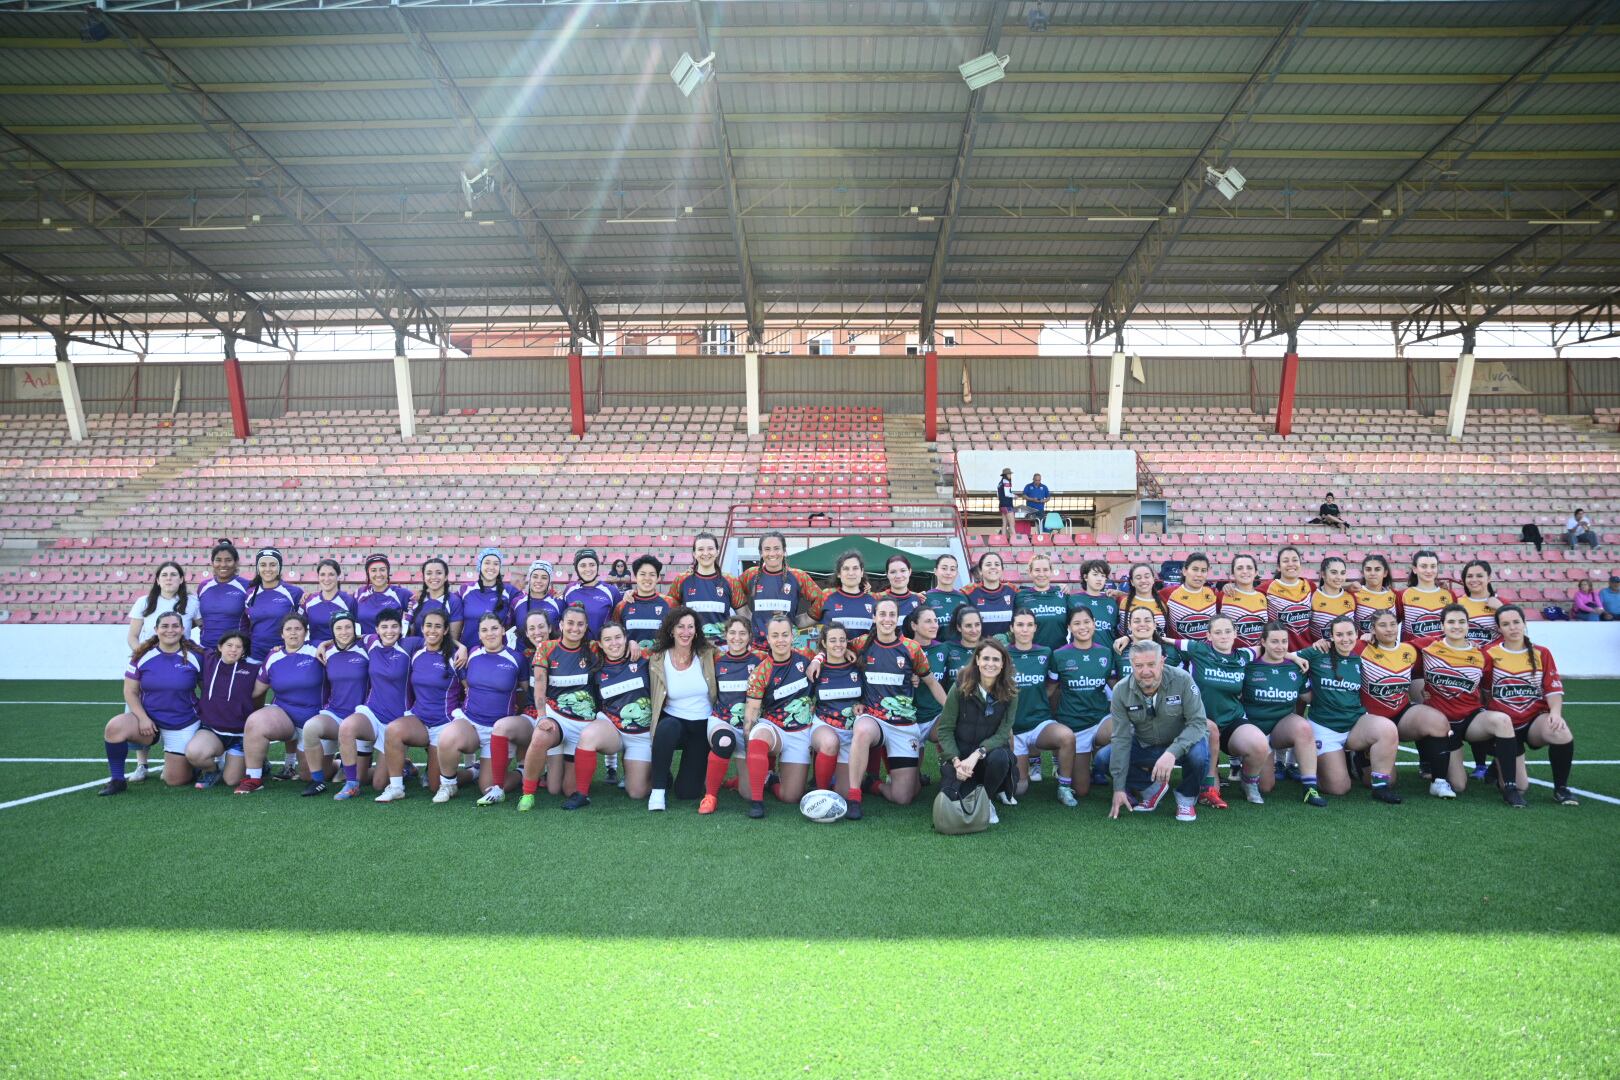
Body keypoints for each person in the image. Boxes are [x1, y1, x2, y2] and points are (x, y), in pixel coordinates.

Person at [1412, 604, 1525, 807]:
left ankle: (1510, 787)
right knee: (1459, 785)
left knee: (1502, 721)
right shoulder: (1426, 647)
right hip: (1443, 724)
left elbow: (1488, 690)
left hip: (1471, 718)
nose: (1457, 626)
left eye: (1462, 622)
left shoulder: (1482, 654)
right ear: (1442, 625)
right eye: (1451, 622)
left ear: (1468, 625)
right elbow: (1398, 658)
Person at [843, 599, 945, 815]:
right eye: (882, 614)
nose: (887, 619)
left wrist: (952, 711)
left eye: (891, 615)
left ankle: (874, 784)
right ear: (874, 617)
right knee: (861, 730)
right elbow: (833, 645)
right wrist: (820, 658)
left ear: (897, 618)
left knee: (904, 797)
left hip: (903, 725)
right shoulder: (862, 643)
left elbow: (932, 683)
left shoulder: (911, 648)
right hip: (874, 719)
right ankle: (854, 797)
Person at [1105, 640, 1211, 823]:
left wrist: (1172, 752)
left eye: (1151, 664)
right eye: (1139, 665)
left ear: (1162, 661)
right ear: (1131, 665)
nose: (1145, 671)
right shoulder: (1121, 690)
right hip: (1146, 745)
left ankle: (1186, 797)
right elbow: (1121, 739)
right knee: (1103, 758)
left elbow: (1198, 723)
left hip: (1181, 744)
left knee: (1200, 755)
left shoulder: (1183, 679)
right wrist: (1118, 789)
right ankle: (1152, 789)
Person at [1298, 617, 1402, 803]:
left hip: (1356, 722)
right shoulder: (1318, 652)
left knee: (1387, 731)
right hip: (1326, 726)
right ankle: (1315, 765)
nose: (1345, 639)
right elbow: (1286, 658)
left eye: (1349, 634)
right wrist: (1303, 688)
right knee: (1338, 788)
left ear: (1357, 635)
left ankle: (1379, 787)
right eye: (1339, 635)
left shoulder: (1361, 654)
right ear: (1331, 636)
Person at [1355, 608, 1455, 799]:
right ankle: (1358, 756)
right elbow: (1333, 647)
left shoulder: (1409, 650)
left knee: (1436, 721)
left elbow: (1444, 638)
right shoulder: (1361, 648)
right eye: (1382, 625)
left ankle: (1439, 781)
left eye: (1393, 624)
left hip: (1400, 713)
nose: (1389, 629)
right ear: (1372, 629)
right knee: (1385, 781)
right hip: (1371, 720)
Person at [99, 611, 203, 795]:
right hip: (149, 721)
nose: (170, 630)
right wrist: (143, 718)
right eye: (164, 626)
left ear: (183, 629)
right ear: (156, 630)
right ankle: (117, 780)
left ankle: (190, 765)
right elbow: (130, 691)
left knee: (175, 780)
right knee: (114, 727)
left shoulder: (197, 656)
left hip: (182, 722)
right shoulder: (141, 655)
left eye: (175, 626)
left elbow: (207, 691)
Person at [432, 613, 528, 805]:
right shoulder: (472, 653)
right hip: (471, 722)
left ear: (502, 630)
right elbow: (466, 683)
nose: (490, 633)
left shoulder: (516, 658)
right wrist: (462, 646)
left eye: (494, 628)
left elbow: (525, 692)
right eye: (484, 630)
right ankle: (449, 784)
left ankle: (522, 772)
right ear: (479, 634)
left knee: (488, 788)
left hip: (499, 730)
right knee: (447, 737)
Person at [1486, 605, 1577, 805]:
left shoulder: (1542, 653)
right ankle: (1500, 759)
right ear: (1499, 629)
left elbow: (1553, 689)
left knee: (1561, 732)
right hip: (1505, 726)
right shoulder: (1489, 654)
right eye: (1506, 624)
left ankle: (1561, 788)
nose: (1513, 628)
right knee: (1520, 787)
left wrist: (1555, 713)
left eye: (1516, 622)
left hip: (1534, 720)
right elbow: (1482, 691)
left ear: (1525, 623)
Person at [374, 610, 465, 803]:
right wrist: (325, 643)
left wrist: (461, 646)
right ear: (422, 628)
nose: (432, 630)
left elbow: (470, 690)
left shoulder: (456, 656)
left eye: (438, 626)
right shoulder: (415, 652)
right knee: (393, 730)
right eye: (428, 625)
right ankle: (397, 787)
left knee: (434, 786)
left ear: (446, 630)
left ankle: (469, 774)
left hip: (444, 724)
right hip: (419, 720)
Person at [1174, 614, 1266, 806]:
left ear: (1235, 633)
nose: (1223, 636)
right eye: (1217, 632)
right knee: (1212, 790)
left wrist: (1291, 655)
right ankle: (1209, 776)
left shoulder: (1243, 656)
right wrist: (1129, 637)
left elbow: (1270, 647)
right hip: (1201, 722)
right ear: (1208, 635)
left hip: (1232, 720)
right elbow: (1163, 641)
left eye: (1227, 631)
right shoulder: (1197, 649)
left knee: (1259, 744)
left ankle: (1248, 783)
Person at [561, 622, 654, 809]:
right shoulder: (596, 668)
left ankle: (654, 772)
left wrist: (635, 643)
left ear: (626, 639)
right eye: (608, 639)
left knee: (637, 793)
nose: (614, 643)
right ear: (600, 644)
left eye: (618, 637)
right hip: (613, 729)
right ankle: (582, 794)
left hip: (641, 736)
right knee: (589, 735)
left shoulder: (644, 658)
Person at [1230, 623, 1322, 807]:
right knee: (1266, 787)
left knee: (1303, 727)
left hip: (1281, 728)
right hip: (1255, 731)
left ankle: (1310, 787)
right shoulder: (1248, 665)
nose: (1280, 646)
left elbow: (1307, 696)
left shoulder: (1295, 667)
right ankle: (1245, 768)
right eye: (1274, 641)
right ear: (1263, 642)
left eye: (1284, 641)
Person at [233, 612, 325, 795]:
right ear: (281, 634)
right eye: (288, 629)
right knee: (255, 722)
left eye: (298, 629)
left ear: (305, 632)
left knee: (309, 776)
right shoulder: (273, 656)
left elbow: (344, 641)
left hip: (314, 721)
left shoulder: (317, 650)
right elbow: (258, 690)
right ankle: (253, 778)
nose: (293, 633)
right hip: (283, 716)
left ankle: (336, 763)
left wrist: (326, 644)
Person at [124, 560, 198, 782]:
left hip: (178, 661)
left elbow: (201, 626)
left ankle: (178, 758)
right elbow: (132, 635)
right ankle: (141, 764)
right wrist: (146, 656)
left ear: (181, 579)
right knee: (137, 713)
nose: (169, 578)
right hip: (148, 663)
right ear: (157, 580)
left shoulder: (191, 603)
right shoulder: (144, 602)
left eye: (174, 575)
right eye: (164, 575)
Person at [517, 605, 597, 807]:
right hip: (557, 718)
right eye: (570, 623)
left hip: (584, 725)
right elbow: (540, 686)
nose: (575, 628)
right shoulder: (547, 648)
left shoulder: (594, 648)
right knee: (540, 737)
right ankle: (528, 794)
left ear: (586, 626)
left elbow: (619, 645)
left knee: (568, 790)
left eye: (580, 624)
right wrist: (542, 717)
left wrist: (631, 643)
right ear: (561, 625)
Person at [741, 612, 818, 818]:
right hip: (773, 727)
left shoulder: (807, 656)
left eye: (785, 635)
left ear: (793, 635)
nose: (780, 640)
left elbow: (831, 650)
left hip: (800, 732)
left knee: (791, 796)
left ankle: (771, 780)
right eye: (775, 636)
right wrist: (750, 743)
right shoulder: (761, 670)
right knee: (758, 737)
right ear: (767, 639)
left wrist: (819, 659)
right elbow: (751, 711)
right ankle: (757, 802)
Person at [645, 606, 722, 813]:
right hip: (673, 721)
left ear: (696, 631)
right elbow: (625, 651)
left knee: (687, 792)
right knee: (666, 727)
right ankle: (658, 790)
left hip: (701, 725)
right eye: (680, 627)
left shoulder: (708, 654)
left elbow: (739, 655)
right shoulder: (657, 658)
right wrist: (632, 645)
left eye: (691, 627)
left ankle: (674, 776)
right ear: (671, 630)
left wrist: (818, 658)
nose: (685, 632)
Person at [935, 639, 1018, 823]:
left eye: (996, 659)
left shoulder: (1011, 692)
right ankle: (972, 788)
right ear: (977, 660)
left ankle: (986, 800)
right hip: (961, 758)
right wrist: (956, 762)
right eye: (986, 658)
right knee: (951, 797)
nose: (990, 664)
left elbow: (1004, 734)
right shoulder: (959, 687)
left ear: (1003, 663)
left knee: (1000, 758)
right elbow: (945, 730)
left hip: (988, 755)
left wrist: (977, 754)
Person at [1004, 609, 1073, 805]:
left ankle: (1065, 787)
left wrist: (1038, 701)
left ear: (1035, 628)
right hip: (1013, 729)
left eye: (1029, 625)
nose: (1024, 630)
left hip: (1039, 723)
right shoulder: (1004, 654)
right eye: (1020, 625)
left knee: (1066, 736)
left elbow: (1052, 685)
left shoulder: (1045, 652)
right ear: (1012, 628)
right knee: (1019, 789)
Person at [1047, 606, 1116, 802]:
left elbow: (1115, 686)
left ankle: (1132, 783)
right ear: (1069, 627)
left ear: (1094, 624)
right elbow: (1050, 690)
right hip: (1075, 724)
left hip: (1101, 720)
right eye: (1077, 623)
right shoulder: (1059, 655)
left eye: (1087, 622)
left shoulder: (1105, 653)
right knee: (1082, 790)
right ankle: (1079, 765)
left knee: (1124, 731)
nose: (1083, 627)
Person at [299, 610, 367, 796]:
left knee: (371, 781)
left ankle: (403, 766)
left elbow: (383, 635)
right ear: (332, 631)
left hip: (362, 718)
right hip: (335, 713)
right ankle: (318, 781)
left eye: (348, 627)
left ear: (355, 629)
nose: (344, 632)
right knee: (310, 728)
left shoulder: (367, 647)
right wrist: (324, 643)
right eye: (339, 628)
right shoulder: (326, 652)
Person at [698, 615, 758, 815]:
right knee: (724, 741)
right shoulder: (715, 659)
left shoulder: (761, 660)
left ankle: (737, 780)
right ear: (725, 635)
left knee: (749, 794)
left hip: (748, 727)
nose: (737, 638)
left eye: (742, 633)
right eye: (732, 633)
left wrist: (817, 660)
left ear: (750, 636)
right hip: (721, 721)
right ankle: (710, 796)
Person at [184, 630, 258, 790]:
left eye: (239, 647)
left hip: (240, 735)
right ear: (219, 647)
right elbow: (185, 642)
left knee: (231, 781)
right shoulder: (208, 659)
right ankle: (211, 771)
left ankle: (259, 759)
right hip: (212, 730)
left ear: (244, 651)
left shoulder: (253, 669)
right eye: (229, 645)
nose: (233, 650)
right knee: (194, 753)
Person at [808, 623, 864, 802]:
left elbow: (870, 693)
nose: (838, 644)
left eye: (842, 640)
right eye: (832, 640)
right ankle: (820, 793)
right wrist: (818, 658)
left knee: (844, 795)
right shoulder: (816, 669)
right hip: (824, 725)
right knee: (830, 742)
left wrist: (861, 704)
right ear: (823, 643)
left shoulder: (857, 665)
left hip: (851, 734)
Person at [739, 531, 824, 645]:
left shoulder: (799, 576)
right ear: (761, 552)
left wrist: (800, 621)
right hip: (757, 646)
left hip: (787, 646)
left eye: (776, 548)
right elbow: (734, 593)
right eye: (767, 549)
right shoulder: (750, 574)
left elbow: (822, 600)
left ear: (784, 551)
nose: (772, 553)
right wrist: (750, 618)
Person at [666, 532, 748, 645]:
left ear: (717, 552)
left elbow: (744, 616)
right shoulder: (681, 580)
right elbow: (670, 615)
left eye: (710, 548)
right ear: (694, 553)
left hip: (722, 647)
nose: (705, 553)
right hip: (690, 647)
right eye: (700, 549)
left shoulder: (730, 581)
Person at [456, 547, 520, 649]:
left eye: (496, 564)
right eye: (487, 563)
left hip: (496, 654)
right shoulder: (465, 590)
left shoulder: (509, 591)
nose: (491, 567)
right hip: (467, 654)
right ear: (480, 565)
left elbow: (530, 602)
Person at [195, 539, 250, 651]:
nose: (223, 565)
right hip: (206, 650)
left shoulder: (247, 587)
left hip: (235, 652)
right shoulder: (203, 586)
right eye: (218, 560)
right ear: (212, 562)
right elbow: (199, 618)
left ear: (236, 562)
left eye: (228, 560)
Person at [614, 554, 672, 650]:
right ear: (635, 577)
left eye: (652, 575)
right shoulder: (622, 606)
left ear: (658, 578)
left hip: (659, 662)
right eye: (642, 574)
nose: (647, 578)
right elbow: (616, 636)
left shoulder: (670, 603)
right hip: (631, 662)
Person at [562, 547, 623, 639]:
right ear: (576, 568)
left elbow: (620, 621)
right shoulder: (569, 590)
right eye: (583, 565)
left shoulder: (611, 591)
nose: (588, 569)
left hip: (602, 648)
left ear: (597, 566)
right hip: (575, 648)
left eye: (592, 565)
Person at [1263, 546, 1315, 651]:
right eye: (1285, 561)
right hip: (1281, 653)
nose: (1291, 564)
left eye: (1295, 560)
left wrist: (1348, 587)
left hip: (1307, 650)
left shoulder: (1309, 585)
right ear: (1278, 567)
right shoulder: (1268, 587)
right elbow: (1247, 592)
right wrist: (1228, 587)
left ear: (1300, 564)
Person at [1015, 553, 1070, 650]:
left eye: (1045, 570)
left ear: (1051, 572)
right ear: (1030, 572)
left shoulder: (1062, 593)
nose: (1041, 574)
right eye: (1037, 570)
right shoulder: (1020, 596)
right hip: (1033, 656)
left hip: (1059, 655)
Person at [353, 554, 415, 637]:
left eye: (382, 570)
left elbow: (418, 618)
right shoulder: (359, 594)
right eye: (373, 570)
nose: (378, 574)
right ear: (368, 573)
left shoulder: (401, 594)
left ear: (388, 572)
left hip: (392, 646)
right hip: (365, 646)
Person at [299, 558, 356, 647]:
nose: (326, 579)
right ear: (318, 577)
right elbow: (298, 627)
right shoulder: (308, 601)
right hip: (315, 650)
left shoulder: (349, 601)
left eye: (331, 574)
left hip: (341, 651)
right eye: (322, 575)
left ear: (339, 576)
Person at [1161, 551, 1217, 642]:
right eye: (1195, 569)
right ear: (1184, 571)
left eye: (1203, 570)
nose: (1199, 574)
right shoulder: (1167, 594)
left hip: (1206, 653)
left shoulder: (1213, 593)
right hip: (1179, 652)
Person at [1401, 549, 1456, 639]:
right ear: (1415, 569)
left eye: (1433, 566)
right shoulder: (1403, 595)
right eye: (1424, 566)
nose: (1429, 571)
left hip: (1443, 651)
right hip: (1414, 651)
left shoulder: (1449, 595)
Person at [1218, 553, 1268, 649]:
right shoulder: (1223, 595)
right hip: (1232, 657)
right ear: (1232, 574)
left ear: (1256, 572)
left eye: (1249, 568)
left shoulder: (1262, 596)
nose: (1245, 571)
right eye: (1240, 568)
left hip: (1258, 656)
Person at [407, 556, 463, 642]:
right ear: (424, 577)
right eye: (429, 573)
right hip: (418, 652)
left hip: (443, 653)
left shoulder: (454, 601)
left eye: (439, 573)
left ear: (446, 577)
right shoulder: (416, 600)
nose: (434, 577)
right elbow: (411, 634)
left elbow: (453, 639)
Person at [821, 550, 877, 636]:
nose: (851, 573)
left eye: (855, 568)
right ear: (839, 573)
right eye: (846, 569)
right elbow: (809, 620)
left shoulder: (873, 602)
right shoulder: (826, 598)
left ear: (861, 572)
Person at [964, 551, 1016, 641]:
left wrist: (1008, 636)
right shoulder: (968, 592)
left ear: (1002, 569)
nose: (993, 567)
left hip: (1007, 650)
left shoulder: (1012, 590)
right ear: (980, 570)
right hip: (979, 649)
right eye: (988, 564)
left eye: (997, 564)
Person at [1067, 558, 1121, 642]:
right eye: (1095, 574)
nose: (1099, 579)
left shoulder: (1111, 602)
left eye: (1103, 576)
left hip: (1107, 652)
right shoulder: (1073, 600)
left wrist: (1122, 593)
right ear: (1085, 577)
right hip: (1079, 653)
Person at [1309, 556, 1356, 642]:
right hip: (1320, 653)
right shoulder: (1312, 596)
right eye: (1334, 572)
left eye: (1342, 573)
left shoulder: (1351, 596)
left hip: (1346, 651)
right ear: (1323, 574)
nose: (1339, 577)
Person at [512, 560, 561, 643]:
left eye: (544, 577)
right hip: (521, 654)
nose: (539, 580)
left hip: (550, 654)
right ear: (529, 578)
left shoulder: (558, 602)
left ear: (549, 581)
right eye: (535, 576)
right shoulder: (516, 602)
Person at [1458, 559, 1505, 644]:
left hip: (1493, 656)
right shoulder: (1457, 603)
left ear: (1489, 578)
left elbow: (1517, 632)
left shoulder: (1502, 603)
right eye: (1469, 576)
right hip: (1465, 655)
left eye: (1479, 576)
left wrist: (1501, 609)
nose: (1474, 580)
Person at [1350, 554, 1399, 636]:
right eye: (1368, 569)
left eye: (1377, 569)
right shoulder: (1354, 594)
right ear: (1362, 572)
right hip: (1362, 646)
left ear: (1385, 573)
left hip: (1387, 646)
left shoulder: (1395, 595)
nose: (1372, 573)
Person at [1120, 563, 1169, 635]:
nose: (1143, 580)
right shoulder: (1123, 602)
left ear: (1153, 579)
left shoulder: (1163, 602)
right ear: (1132, 582)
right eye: (1138, 578)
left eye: (1147, 577)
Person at [873, 554, 924, 622]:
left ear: (910, 571)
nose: (898, 576)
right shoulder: (877, 599)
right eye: (893, 572)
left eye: (903, 570)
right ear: (887, 574)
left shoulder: (920, 599)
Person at [996, 467, 1016, 537]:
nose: (1010, 475)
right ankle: (1015, 540)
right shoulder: (1007, 482)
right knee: (1012, 524)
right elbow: (1007, 494)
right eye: (1009, 474)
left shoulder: (1000, 483)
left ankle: (1003, 539)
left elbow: (998, 495)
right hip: (1007, 505)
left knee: (1004, 524)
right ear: (1006, 475)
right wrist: (1014, 496)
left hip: (1002, 505)